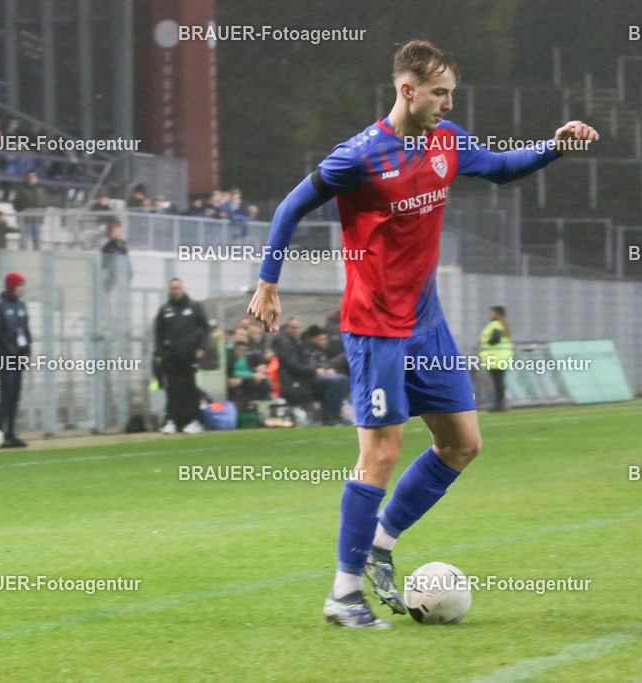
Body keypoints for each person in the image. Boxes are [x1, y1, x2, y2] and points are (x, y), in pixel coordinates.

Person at [247, 39, 598, 628]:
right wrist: (268, 281)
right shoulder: (359, 155)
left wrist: (553, 147)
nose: (446, 103)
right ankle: (344, 592)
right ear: (407, 90)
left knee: (462, 442)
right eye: (439, 93)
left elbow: (503, 168)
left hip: (427, 325)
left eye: (451, 94)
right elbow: (290, 207)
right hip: (376, 328)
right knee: (380, 453)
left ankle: (381, 544)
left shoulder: (447, 141)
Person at [154, 278, 210, 434]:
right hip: (170, 357)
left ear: (183, 289)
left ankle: (192, 421)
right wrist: (160, 351)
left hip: (189, 356)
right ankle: (171, 420)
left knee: (189, 388)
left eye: (177, 288)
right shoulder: (165, 310)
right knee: (172, 389)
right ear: (169, 290)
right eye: (172, 288)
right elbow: (158, 333)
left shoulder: (194, 307)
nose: (175, 291)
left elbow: (205, 329)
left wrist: (201, 347)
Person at [0, 272, 31, 448]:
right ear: (12, 286)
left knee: (15, 395)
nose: (22, 289)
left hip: (18, 358)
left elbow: (25, 331)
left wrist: (26, 352)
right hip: (6, 358)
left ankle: (11, 433)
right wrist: (13, 352)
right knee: (6, 395)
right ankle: (0, 433)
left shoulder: (21, 306)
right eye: (20, 285)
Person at [480, 305, 514, 412]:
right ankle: (500, 404)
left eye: (493, 312)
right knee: (499, 383)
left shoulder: (495, 325)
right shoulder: (504, 325)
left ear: (497, 313)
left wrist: (488, 342)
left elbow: (495, 339)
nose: (491, 314)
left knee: (497, 383)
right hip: (502, 357)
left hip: (495, 358)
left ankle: (498, 406)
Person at [100, 221, 130, 290]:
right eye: (116, 231)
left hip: (121, 277)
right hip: (110, 276)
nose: (119, 233)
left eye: (119, 231)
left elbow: (126, 259)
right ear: (112, 233)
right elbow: (104, 262)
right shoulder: (108, 245)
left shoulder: (122, 245)